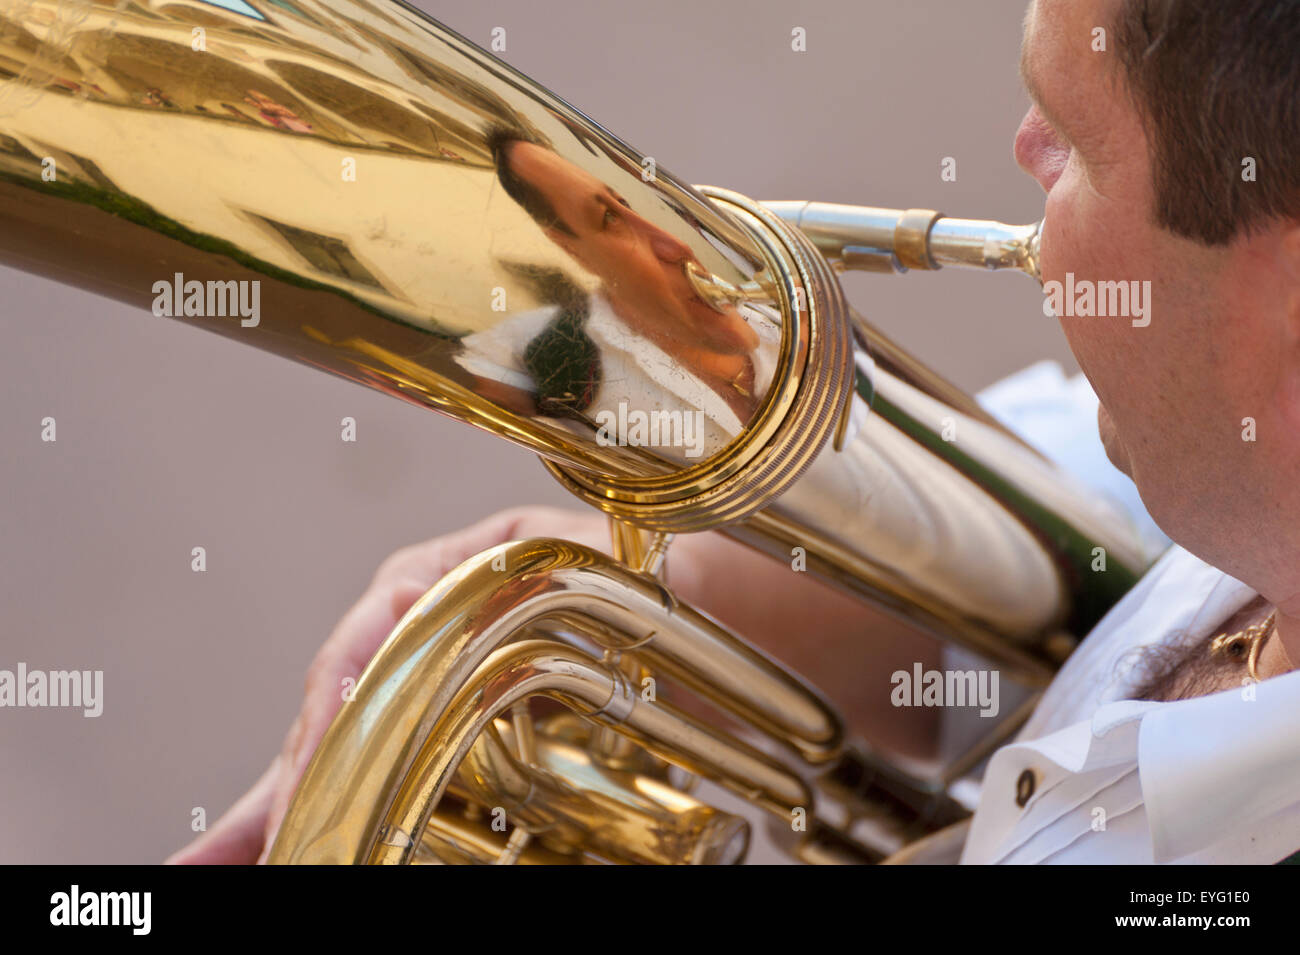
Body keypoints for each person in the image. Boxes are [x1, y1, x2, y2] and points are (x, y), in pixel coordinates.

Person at [169, 0, 1300, 864]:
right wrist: (604, 624)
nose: (1022, 151)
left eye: (1076, 144)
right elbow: (1088, 528)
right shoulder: (1235, 497)